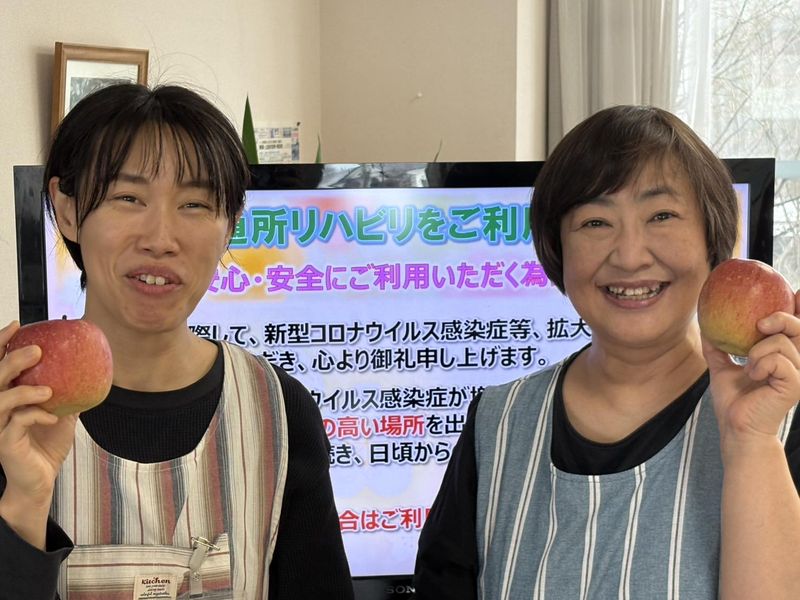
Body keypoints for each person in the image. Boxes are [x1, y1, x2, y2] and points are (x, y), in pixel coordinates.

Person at [414, 105, 800, 599]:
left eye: (661, 215)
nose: (630, 256)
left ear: (712, 238)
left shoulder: (776, 419)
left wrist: (751, 444)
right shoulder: (498, 421)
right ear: (558, 249)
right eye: (596, 222)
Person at [0, 83, 354, 600]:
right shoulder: (13, 406)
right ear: (68, 210)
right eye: (128, 198)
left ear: (230, 226)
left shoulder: (278, 410)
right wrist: (24, 506)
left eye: (195, 204)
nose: (160, 239)